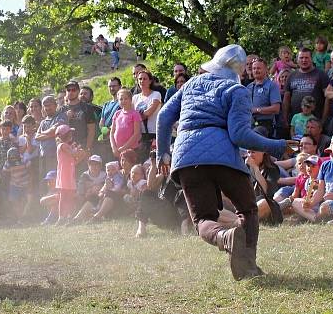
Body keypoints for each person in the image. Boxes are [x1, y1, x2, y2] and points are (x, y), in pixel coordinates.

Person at [155, 44, 292, 280]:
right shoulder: (237, 90)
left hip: (187, 158)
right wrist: (277, 146)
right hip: (224, 159)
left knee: (204, 219)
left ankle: (223, 237)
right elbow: (240, 135)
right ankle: (248, 267)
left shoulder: (190, 85)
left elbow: (163, 116)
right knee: (248, 210)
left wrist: (162, 153)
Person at [283, 48, 329, 129]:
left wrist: (324, 120)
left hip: (314, 122)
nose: (304, 60)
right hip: (295, 123)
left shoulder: (321, 74)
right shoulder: (291, 76)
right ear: (297, 60)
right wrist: (285, 119)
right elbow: (286, 99)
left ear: (312, 59)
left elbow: (328, 98)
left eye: (307, 57)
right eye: (301, 58)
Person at [54, 125, 86, 226]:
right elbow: (73, 154)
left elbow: (74, 161)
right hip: (64, 175)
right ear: (66, 135)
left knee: (70, 197)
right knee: (63, 197)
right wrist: (79, 151)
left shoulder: (67, 146)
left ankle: (69, 217)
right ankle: (61, 217)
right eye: (70, 133)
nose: (71, 135)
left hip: (69, 174)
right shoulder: (62, 146)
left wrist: (82, 155)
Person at [57, 81, 96, 158]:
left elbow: (91, 130)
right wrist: (66, 118)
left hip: (82, 149)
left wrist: (87, 149)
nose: (71, 92)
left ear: (78, 91)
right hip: (67, 150)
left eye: (73, 90)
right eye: (68, 90)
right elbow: (58, 132)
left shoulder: (87, 108)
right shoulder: (61, 110)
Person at [248, 58, 282, 136]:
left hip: (266, 125)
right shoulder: (248, 87)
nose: (256, 71)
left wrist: (257, 110)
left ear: (266, 70)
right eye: (254, 68)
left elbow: (276, 109)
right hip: (250, 124)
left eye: (259, 68)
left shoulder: (272, 85)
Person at [110, 89, 141, 158]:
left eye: (126, 99)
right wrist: (114, 147)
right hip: (117, 150)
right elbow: (112, 132)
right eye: (121, 99)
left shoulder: (135, 114)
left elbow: (136, 134)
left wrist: (124, 148)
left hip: (130, 149)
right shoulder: (117, 113)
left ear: (130, 100)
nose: (123, 101)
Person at [98, 78, 123, 162]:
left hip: (117, 139)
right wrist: (103, 129)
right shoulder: (106, 104)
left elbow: (121, 119)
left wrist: (109, 130)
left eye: (114, 86)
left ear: (120, 86)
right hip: (105, 140)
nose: (112, 88)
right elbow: (102, 120)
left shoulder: (123, 103)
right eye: (110, 86)